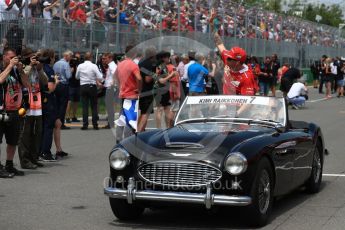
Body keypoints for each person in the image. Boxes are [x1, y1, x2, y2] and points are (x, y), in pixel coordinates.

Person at [210, 9, 256, 96]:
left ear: (237, 62)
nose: (227, 58)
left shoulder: (246, 77)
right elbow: (218, 41)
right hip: (225, 103)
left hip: (236, 107)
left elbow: (247, 101)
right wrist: (211, 23)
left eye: (230, 58)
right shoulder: (228, 57)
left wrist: (235, 110)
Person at [0, 48, 29, 178]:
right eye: (10, 57)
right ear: (4, 57)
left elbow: (27, 85)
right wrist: (10, 66)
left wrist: (21, 70)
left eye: (14, 57)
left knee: (13, 141)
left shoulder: (16, 72)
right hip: (2, 111)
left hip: (15, 111)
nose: (13, 59)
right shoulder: (2, 69)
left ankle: (9, 164)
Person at [18, 48, 47, 169]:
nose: (34, 59)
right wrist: (30, 65)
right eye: (31, 57)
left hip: (37, 105)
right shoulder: (21, 67)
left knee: (37, 133)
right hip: (25, 104)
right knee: (26, 134)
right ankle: (25, 160)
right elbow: (22, 77)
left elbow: (44, 81)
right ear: (26, 57)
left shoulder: (36, 67)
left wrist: (39, 68)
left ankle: (33, 158)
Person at [114, 45, 142, 143]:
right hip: (132, 94)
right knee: (130, 119)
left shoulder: (120, 64)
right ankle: (127, 140)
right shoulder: (133, 65)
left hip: (123, 93)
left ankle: (118, 137)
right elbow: (138, 78)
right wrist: (139, 89)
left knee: (122, 116)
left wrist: (120, 86)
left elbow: (116, 77)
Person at [40, 48, 61, 162]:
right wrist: (56, 82)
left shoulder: (39, 67)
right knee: (48, 126)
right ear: (50, 58)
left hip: (39, 100)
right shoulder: (49, 69)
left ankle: (39, 151)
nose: (54, 59)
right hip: (48, 100)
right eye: (53, 57)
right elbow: (50, 88)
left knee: (42, 126)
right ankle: (45, 152)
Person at [76, 52, 104, 130]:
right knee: (94, 106)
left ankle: (85, 124)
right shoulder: (94, 66)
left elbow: (77, 77)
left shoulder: (80, 66)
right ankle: (95, 124)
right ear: (91, 58)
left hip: (83, 86)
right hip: (92, 86)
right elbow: (100, 77)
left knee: (85, 106)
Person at [137, 47, 157, 132]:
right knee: (146, 113)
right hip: (147, 90)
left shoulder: (141, 62)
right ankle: (140, 131)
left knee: (143, 112)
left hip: (141, 90)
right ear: (152, 54)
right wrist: (155, 75)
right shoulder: (149, 64)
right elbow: (148, 79)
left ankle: (138, 129)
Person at [53, 50, 73, 129]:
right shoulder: (66, 64)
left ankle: (55, 121)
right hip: (64, 85)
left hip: (56, 84)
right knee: (63, 105)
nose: (71, 58)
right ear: (67, 56)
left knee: (57, 104)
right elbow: (68, 76)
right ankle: (61, 123)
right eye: (70, 56)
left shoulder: (56, 63)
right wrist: (71, 71)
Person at [102, 53, 117, 129]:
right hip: (109, 87)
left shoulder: (112, 65)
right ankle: (110, 122)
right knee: (109, 106)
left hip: (110, 88)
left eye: (105, 58)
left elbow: (115, 74)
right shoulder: (111, 65)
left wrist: (113, 84)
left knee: (109, 106)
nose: (104, 60)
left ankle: (110, 123)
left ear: (110, 58)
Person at [65, 52, 81, 123]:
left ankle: (73, 116)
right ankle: (67, 116)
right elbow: (67, 74)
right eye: (75, 57)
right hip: (71, 84)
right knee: (70, 101)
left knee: (76, 101)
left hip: (77, 84)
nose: (76, 59)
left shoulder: (79, 65)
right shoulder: (69, 64)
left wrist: (77, 67)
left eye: (78, 58)